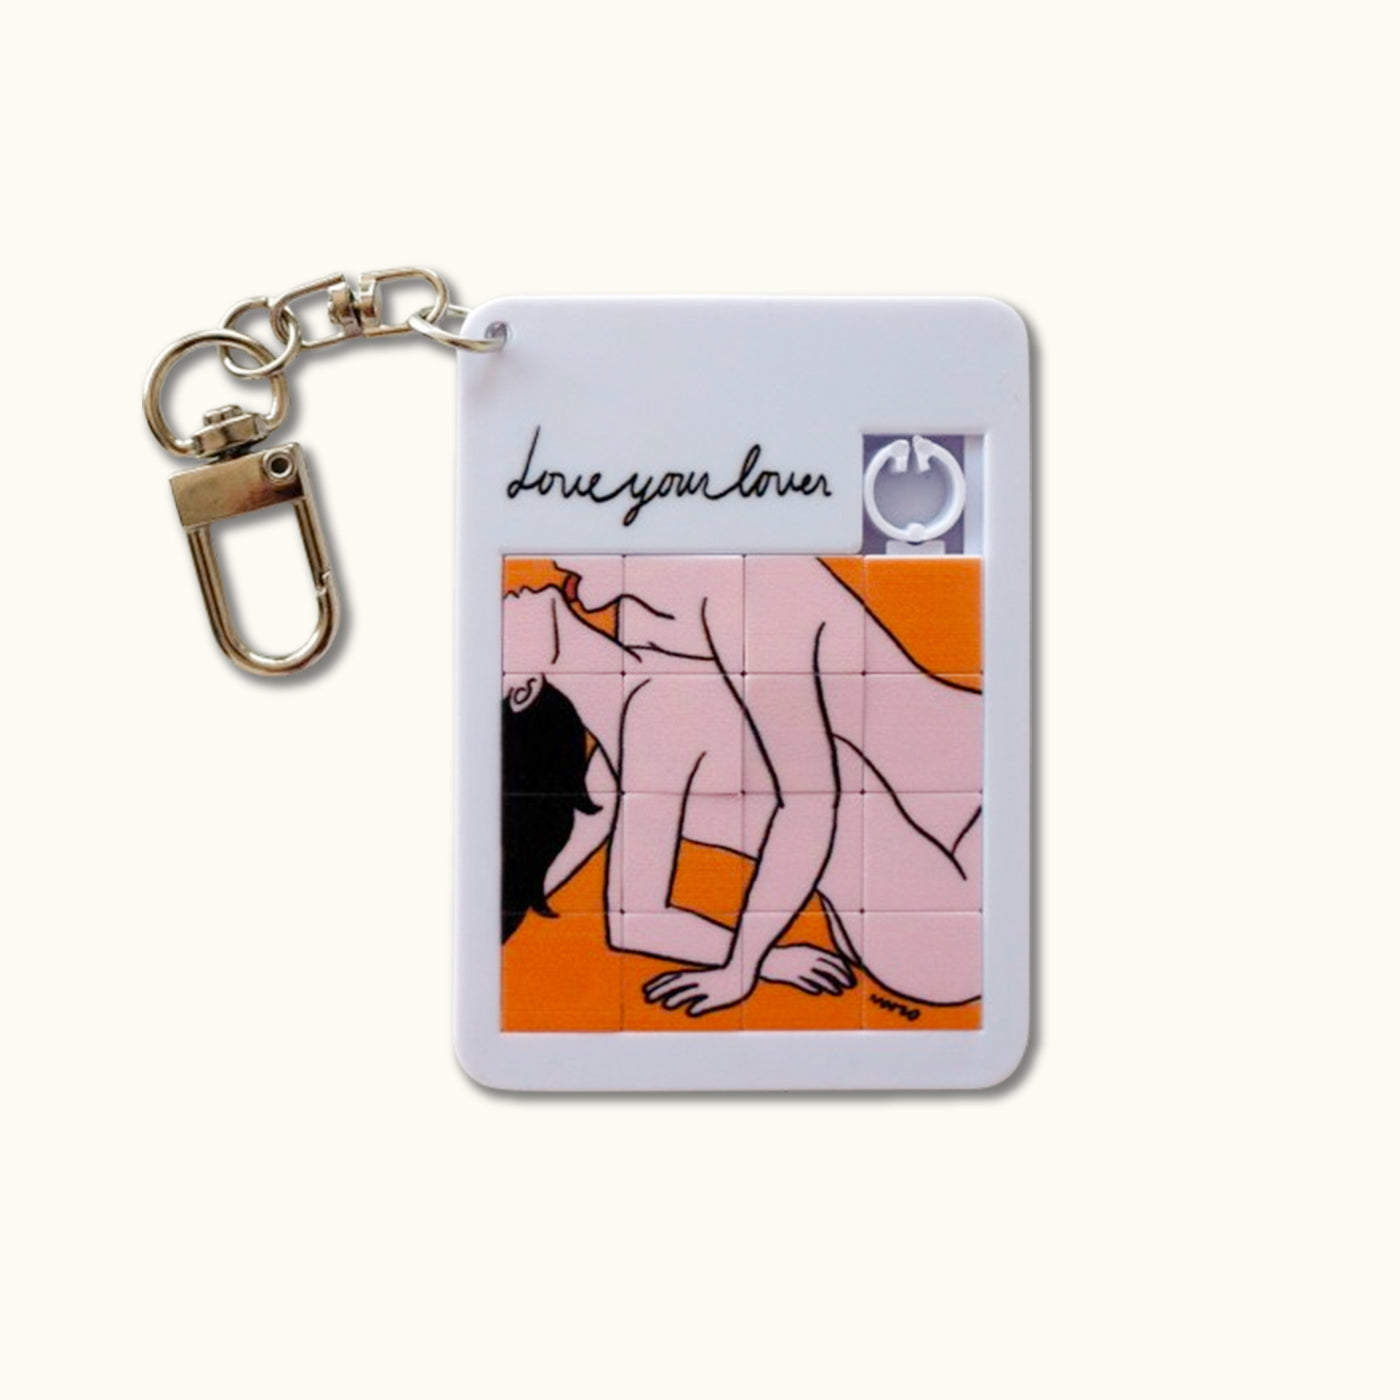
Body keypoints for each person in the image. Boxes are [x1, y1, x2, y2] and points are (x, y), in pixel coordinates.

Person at [502, 556, 982, 1015]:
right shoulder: (645, 729)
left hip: (941, 864)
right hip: (933, 932)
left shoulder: (636, 695)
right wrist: (753, 964)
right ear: (522, 690)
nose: (508, 596)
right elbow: (634, 920)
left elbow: (539, 881)